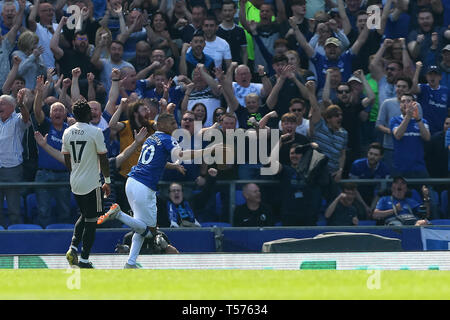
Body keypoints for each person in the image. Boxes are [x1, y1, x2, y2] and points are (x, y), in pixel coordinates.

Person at [96, 113, 224, 268]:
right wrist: (208, 151)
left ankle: (130, 263)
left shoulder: (152, 138)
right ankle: (119, 214)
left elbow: (156, 161)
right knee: (150, 231)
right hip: (144, 186)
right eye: (172, 123)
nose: (175, 126)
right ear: (162, 125)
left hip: (132, 182)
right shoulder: (167, 139)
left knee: (140, 227)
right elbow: (182, 155)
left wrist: (173, 165)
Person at [62, 99, 111, 269]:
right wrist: (107, 181)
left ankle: (73, 247)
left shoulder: (67, 132)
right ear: (88, 114)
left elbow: (67, 159)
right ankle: (84, 259)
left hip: (75, 182)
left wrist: (76, 171)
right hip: (92, 183)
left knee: (84, 214)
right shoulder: (95, 131)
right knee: (91, 220)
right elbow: (103, 159)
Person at [33, 76, 72, 227]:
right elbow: (36, 110)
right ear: (50, 114)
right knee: (43, 210)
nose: (57, 112)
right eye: (54, 110)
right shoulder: (45, 125)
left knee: (65, 210)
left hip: (64, 175)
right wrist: (39, 92)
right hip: (44, 174)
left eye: (60, 110)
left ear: (65, 114)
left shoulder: (70, 129)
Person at [0, 93, 30, 227]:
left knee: (13, 208)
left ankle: (15, 234)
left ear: (12, 107)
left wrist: (21, 105)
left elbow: (26, 118)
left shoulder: (17, 119)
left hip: (11, 169)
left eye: (2, 103)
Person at [390, 93, 431, 178]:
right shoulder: (395, 120)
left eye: (408, 101)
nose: (405, 103)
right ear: (400, 105)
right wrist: (408, 117)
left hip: (418, 167)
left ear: (414, 104)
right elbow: (398, 135)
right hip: (400, 168)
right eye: (403, 101)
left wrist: (418, 119)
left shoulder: (422, 121)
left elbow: (427, 138)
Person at [412, 62, 449, 136]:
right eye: (430, 74)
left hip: (441, 132)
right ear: (426, 76)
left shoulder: (446, 91)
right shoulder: (423, 87)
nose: (432, 77)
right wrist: (417, 70)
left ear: (440, 77)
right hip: (425, 130)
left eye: (435, 75)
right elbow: (413, 89)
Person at [349, 142, 390, 208]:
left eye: (376, 155)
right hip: (358, 195)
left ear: (381, 156)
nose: (372, 157)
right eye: (370, 154)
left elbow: (381, 191)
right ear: (367, 153)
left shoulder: (385, 169)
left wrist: (372, 207)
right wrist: (365, 207)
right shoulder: (357, 165)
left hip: (374, 195)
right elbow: (353, 188)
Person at [217, 0, 248, 65]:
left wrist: (244, 66)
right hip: (220, 69)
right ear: (221, 12)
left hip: (237, 69)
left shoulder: (240, 31)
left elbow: (244, 52)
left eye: (230, 10)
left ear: (235, 11)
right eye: (225, 10)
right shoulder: (216, 30)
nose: (227, 13)